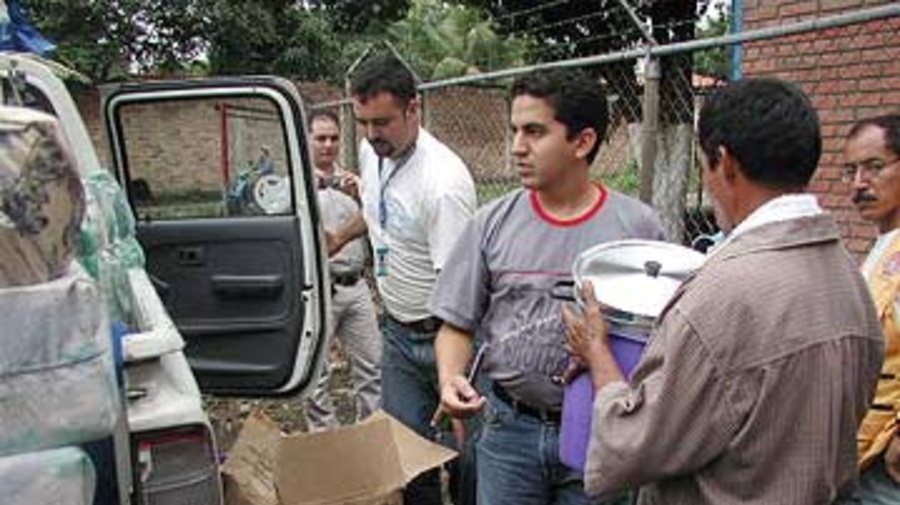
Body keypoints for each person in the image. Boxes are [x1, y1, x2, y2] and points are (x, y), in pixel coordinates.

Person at [561, 78, 885, 504]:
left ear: (725, 163)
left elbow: (634, 447)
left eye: (703, 164)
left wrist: (598, 355)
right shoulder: (848, 275)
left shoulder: (723, 293)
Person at [430, 69, 665, 505]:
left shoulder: (637, 231)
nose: (517, 147)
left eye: (535, 132)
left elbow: (663, 342)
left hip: (600, 431)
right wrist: (450, 378)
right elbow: (456, 325)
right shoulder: (491, 223)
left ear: (583, 141)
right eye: (515, 130)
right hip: (508, 431)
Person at [328, 53, 477, 505]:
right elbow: (380, 213)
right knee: (408, 458)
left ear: (414, 109)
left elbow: (458, 291)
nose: (371, 134)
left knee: (466, 460)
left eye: (382, 122)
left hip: (443, 335)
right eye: (363, 122)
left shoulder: (443, 184)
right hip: (396, 330)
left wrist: (451, 373)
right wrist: (339, 236)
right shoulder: (374, 153)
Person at [303, 109, 382, 431]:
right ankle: (326, 441)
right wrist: (307, 191)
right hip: (319, 290)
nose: (328, 145)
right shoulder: (294, 187)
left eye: (334, 138)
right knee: (316, 375)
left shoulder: (356, 184)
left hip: (357, 287)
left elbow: (379, 227)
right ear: (307, 139)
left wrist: (362, 198)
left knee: (372, 366)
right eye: (320, 138)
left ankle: (372, 435)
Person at [838, 114, 900, 504]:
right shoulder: (883, 249)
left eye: (875, 167)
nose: (860, 183)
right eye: (851, 171)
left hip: (886, 466)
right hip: (860, 452)